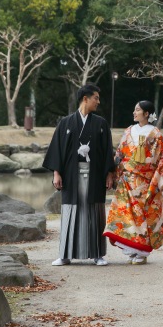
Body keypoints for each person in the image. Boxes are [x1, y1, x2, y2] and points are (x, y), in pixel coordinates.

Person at [43, 83, 115, 266]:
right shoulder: (66, 123)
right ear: (86, 99)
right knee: (70, 212)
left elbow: (107, 151)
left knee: (95, 213)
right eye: (96, 98)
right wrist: (56, 173)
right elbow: (57, 150)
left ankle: (98, 254)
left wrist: (110, 174)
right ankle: (65, 254)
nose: (98, 102)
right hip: (71, 175)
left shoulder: (101, 124)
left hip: (95, 174)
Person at [104, 100, 163, 264]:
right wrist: (114, 172)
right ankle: (131, 249)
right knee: (127, 214)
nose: (134, 112)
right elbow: (119, 153)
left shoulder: (156, 133)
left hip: (147, 181)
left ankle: (142, 252)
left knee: (143, 215)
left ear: (146, 114)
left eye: (138, 110)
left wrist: (159, 180)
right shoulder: (129, 131)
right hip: (128, 179)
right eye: (134, 109)